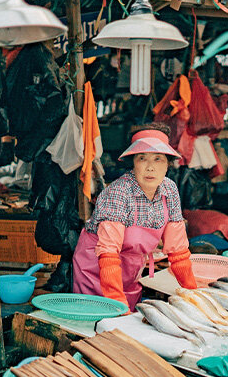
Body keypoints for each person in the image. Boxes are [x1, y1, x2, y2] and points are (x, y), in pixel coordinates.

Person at [73, 124, 197, 309]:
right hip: (97, 267)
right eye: (142, 159)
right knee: (101, 318)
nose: (150, 167)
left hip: (131, 267)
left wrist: (193, 294)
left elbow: (178, 251)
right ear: (133, 163)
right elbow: (108, 254)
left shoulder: (170, 190)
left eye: (158, 159)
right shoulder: (119, 192)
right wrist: (116, 302)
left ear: (167, 164)